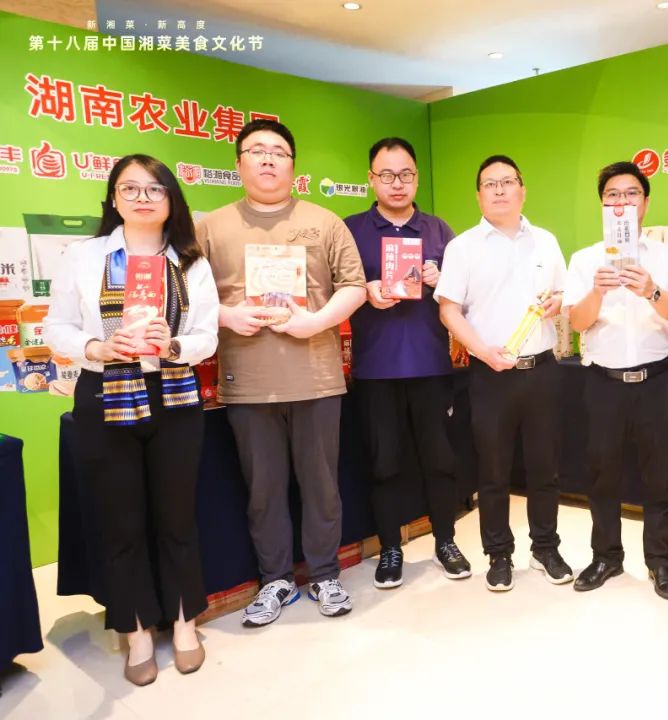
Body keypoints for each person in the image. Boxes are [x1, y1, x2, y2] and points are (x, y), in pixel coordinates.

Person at [44, 154, 219, 685]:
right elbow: (56, 326)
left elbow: (208, 335)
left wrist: (175, 345)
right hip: (105, 394)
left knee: (177, 517)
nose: (143, 198)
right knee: (120, 522)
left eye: (155, 189)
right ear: (114, 198)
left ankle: (185, 623)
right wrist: (97, 346)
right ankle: (137, 631)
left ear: (171, 200)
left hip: (174, 396)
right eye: (130, 188)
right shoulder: (84, 256)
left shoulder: (190, 261)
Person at [196, 119, 367, 626]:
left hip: (316, 377)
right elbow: (188, 297)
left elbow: (354, 286)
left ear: (293, 165)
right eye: (257, 150)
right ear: (239, 164)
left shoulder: (324, 221)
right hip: (247, 382)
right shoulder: (211, 227)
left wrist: (315, 321)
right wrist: (228, 316)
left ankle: (325, 574)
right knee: (263, 490)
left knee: (321, 485)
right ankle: (275, 581)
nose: (268, 159)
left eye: (279, 152)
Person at [434, 155, 572, 592]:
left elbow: (562, 295)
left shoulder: (546, 241)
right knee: (492, 472)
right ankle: (498, 554)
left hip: (542, 370)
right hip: (489, 373)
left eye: (507, 181)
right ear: (478, 195)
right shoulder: (463, 247)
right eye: (489, 183)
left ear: (522, 190)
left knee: (545, 468)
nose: (499, 190)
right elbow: (448, 311)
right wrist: (482, 351)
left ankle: (545, 547)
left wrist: (558, 303)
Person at [344, 137, 471, 588]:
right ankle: (390, 549)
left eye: (405, 175)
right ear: (371, 179)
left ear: (416, 178)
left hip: (431, 365)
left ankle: (445, 541)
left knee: (440, 460)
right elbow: (333, 288)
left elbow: (464, 297)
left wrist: (443, 279)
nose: (397, 183)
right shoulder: (351, 230)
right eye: (386, 175)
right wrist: (364, 290)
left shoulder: (439, 230)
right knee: (384, 464)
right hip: (375, 368)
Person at [564, 161, 668, 600]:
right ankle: (606, 556)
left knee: (660, 476)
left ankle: (660, 561)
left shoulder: (666, 256)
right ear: (603, 204)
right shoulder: (585, 259)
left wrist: (651, 290)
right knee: (602, 475)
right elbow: (577, 323)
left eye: (631, 193)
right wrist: (597, 291)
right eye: (613, 195)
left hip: (656, 379)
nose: (622, 202)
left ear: (645, 203)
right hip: (602, 381)